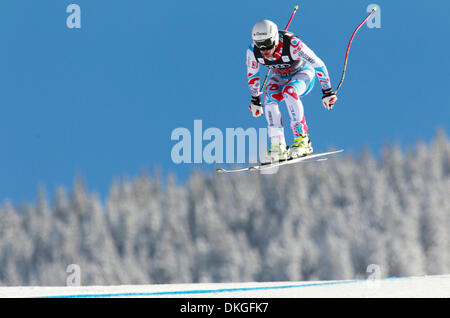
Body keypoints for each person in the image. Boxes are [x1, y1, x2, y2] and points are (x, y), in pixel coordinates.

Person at [247, 20, 338, 162]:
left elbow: (318, 64)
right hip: (280, 76)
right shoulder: (253, 51)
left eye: (267, 44)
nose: (264, 49)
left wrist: (327, 91)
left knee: (289, 91)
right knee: (269, 97)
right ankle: (278, 146)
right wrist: (255, 99)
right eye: (260, 44)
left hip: (303, 73)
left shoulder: (293, 45)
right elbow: (252, 75)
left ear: (275, 39)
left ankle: (303, 141)